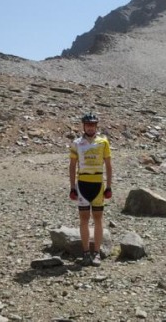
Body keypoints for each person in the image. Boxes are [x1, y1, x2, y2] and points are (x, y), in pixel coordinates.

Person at [69, 112, 113, 267]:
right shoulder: (76, 143)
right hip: (82, 184)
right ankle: (86, 252)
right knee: (84, 219)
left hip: (98, 184)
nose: (90, 127)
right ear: (83, 126)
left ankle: (97, 252)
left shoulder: (103, 142)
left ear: (96, 126)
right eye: (88, 125)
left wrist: (109, 186)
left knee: (98, 219)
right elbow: (72, 166)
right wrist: (72, 187)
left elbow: (108, 165)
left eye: (92, 125)